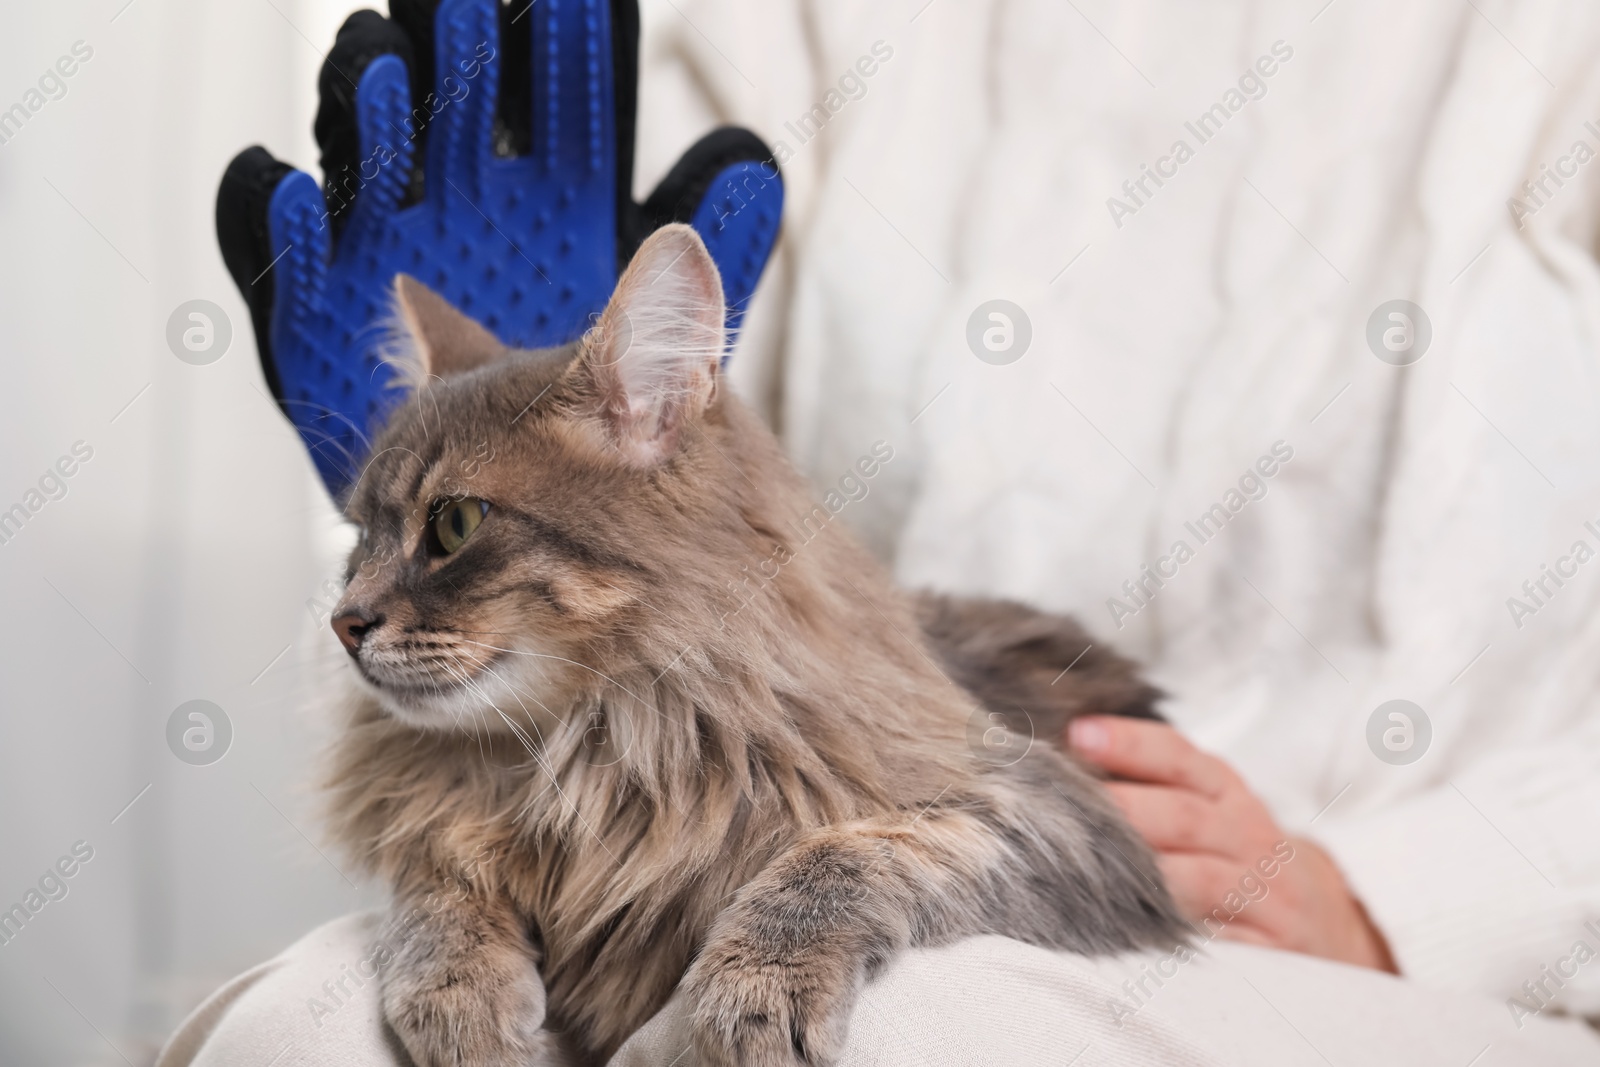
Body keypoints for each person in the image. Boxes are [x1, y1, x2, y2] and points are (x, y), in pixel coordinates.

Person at [162, 0, 1600, 1062]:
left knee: (928, 1035)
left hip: (1364, 913)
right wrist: (484, 432)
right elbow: (666, 542)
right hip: (743, 745)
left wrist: (1406, 899)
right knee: (302, 1032)